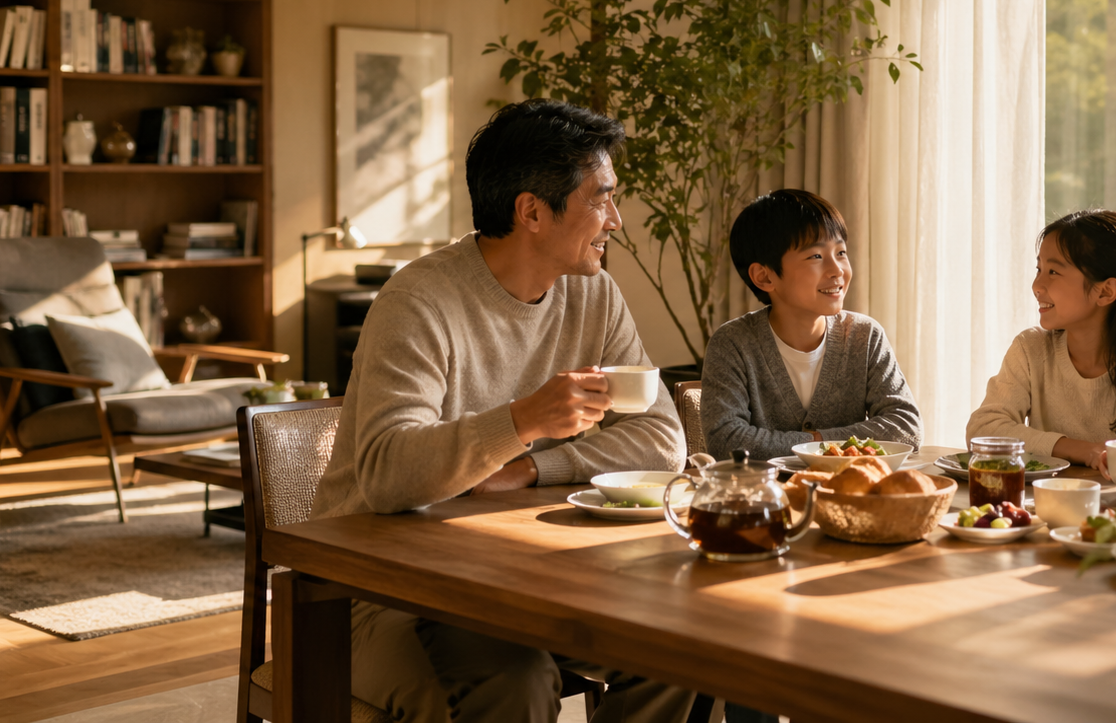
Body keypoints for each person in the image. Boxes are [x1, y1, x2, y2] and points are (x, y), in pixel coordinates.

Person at [310, 100, 695, 723]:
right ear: (532, 211)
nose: (616, 221)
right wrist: (522, 422)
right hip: (382, 588)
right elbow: (385, 476)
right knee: (511, 683)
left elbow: (660, 438)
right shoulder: (419, 301)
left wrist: (532, 468)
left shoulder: (593, 293)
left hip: (521, 568)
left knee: (680, 650)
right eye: (602, 198)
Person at [702, 189, 922, 463]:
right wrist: (821, 445)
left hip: (852, 496)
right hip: (766, 501)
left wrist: (816, 443)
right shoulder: (733, 343)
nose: (837, 270)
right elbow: (727, 442)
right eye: (816, 257)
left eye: (841, 252)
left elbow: (905, 428)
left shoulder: (865, 336)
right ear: (764, 276)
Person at [967, 210, 1116, 465]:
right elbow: (982, 430)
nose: (1037, 285)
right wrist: (1079, 450)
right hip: (1044, 504)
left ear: (1105, 292)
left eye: (1053, 272)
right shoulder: (1031, 349)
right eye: (1039, 269)